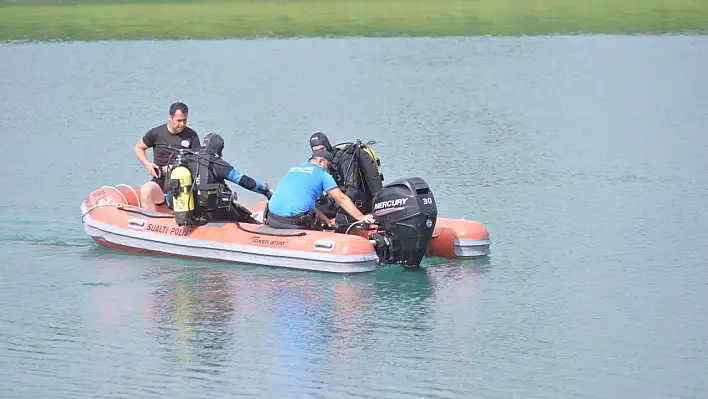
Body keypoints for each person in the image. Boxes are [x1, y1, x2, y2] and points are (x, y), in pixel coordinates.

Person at [265, 150, 375, 230]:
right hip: (293, 222)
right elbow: (341, 198)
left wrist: (323, 217)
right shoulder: (322, 174)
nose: (329, 171)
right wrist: (361, 217)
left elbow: (303, 199)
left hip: (272, 218)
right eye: (329, 167)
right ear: (321, 162)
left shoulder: (294, 169)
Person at [178, 133, 273, 224]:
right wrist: (265, 191)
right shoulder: (217, 163)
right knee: (249, 220)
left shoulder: (189, 160)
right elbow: (242, 180)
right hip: (217, 211)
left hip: (197, 211)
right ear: (218, 148)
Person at [134, 102, 200, 211]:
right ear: (170, 117)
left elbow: (197, 160)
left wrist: (174, 168)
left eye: (185, 120)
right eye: (179, 120)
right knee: (146, 190)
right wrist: (147, 164)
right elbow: (138, 147)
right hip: (161, 180)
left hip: (183, 182)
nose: (182, 124)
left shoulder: (191, 135)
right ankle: (152, 225)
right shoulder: (156, 133)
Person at [309, 132, 383, 222]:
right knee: (307, 207)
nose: (320, 153)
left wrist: (344, 209)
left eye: (322, 149)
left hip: (354, 202)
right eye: (315, 151)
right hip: (338, 200)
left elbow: (353, 189)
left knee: (341, 219)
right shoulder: (321, 163)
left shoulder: (345, 160)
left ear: (328, 147)